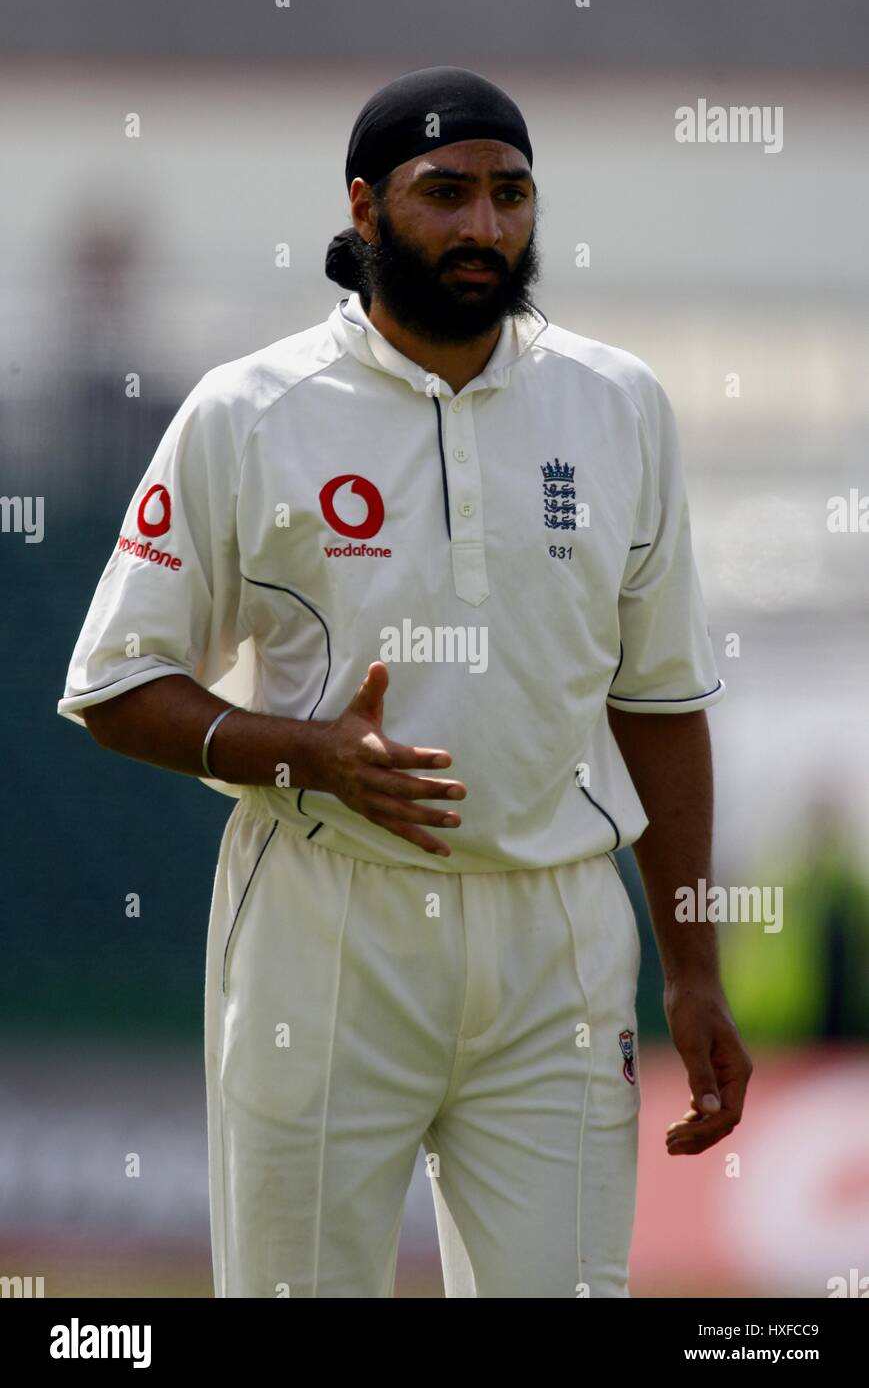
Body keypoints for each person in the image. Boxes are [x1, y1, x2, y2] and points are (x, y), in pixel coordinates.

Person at [58, 65, 752, 1298]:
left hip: (557, 943)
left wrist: (693, 969)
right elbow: (117, 685)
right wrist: (300, 752)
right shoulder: (249, 410)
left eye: (509, 193)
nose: (482, 228)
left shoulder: (617, 407)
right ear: (365, 208)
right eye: (445, 194)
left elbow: (658, 702)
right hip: (326, 929)